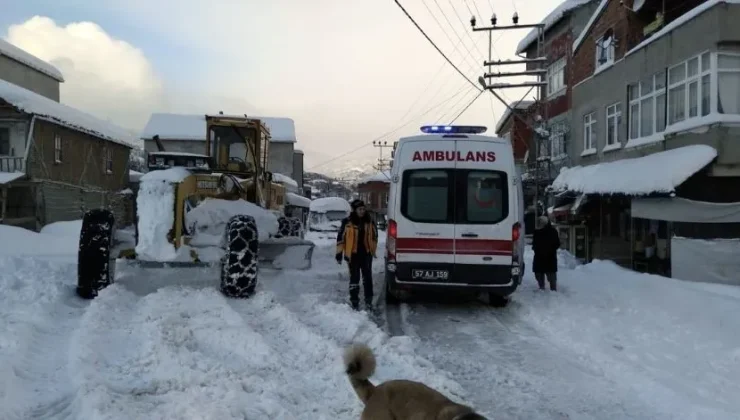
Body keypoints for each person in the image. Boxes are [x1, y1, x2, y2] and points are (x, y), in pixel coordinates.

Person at [336, 199, 378, 310]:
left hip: (366, 254)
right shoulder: (347, 222)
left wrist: (372, 249)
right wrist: (339, 253)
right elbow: (341, 238)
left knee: (367, 278)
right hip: (353, 255)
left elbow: (374, 236)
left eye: (363, 209)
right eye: (360, 209)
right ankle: (354, 301)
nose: (362, 211)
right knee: (354, 278)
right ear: (354, 210)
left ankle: (369, 301)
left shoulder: (369, 221)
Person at [532, 215, 560, 291]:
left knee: (547, 274)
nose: (539, 223)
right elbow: (557, 244)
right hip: (547, 257)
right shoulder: (552, 231)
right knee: (545, 274)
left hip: (545, 256)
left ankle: (550, 289)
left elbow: (557, 244)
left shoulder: (539, 232)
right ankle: (546, 289)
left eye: (540, 222)